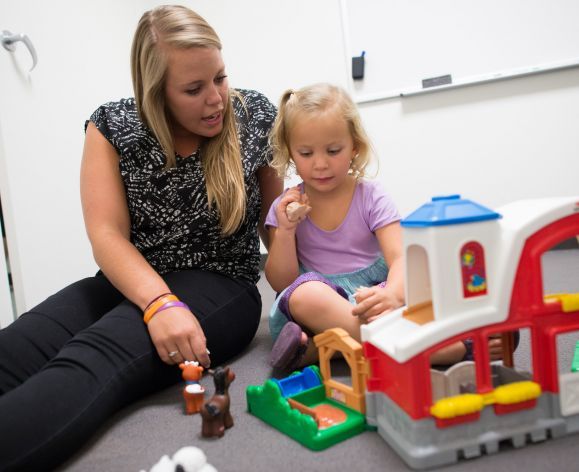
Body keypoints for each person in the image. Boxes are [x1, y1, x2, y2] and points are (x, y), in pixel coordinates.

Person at [0, 5, 281, 471]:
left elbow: (277, 232)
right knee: (17, 347)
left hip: (220, 284)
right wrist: (159, 303)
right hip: (128, 279)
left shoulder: (253, 115)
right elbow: (107, 234)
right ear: (156, 93)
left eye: (220, 78)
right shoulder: (112, 126)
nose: (216, 99)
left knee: (94, 356)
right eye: (193, 89)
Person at [264, 83, 405, 372]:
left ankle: (321, 348)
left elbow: (400, 257)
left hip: (372, 294)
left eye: (332, 150)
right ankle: (399, 344)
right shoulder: (285, 206)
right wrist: (286, 231)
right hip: (319, 301)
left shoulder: (371, 196)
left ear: (355, 146)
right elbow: (281, 281)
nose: (320, 164)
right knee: (305, 294)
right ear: (291, 153)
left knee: (424, 273)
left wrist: (393, 294)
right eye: (305, 153)